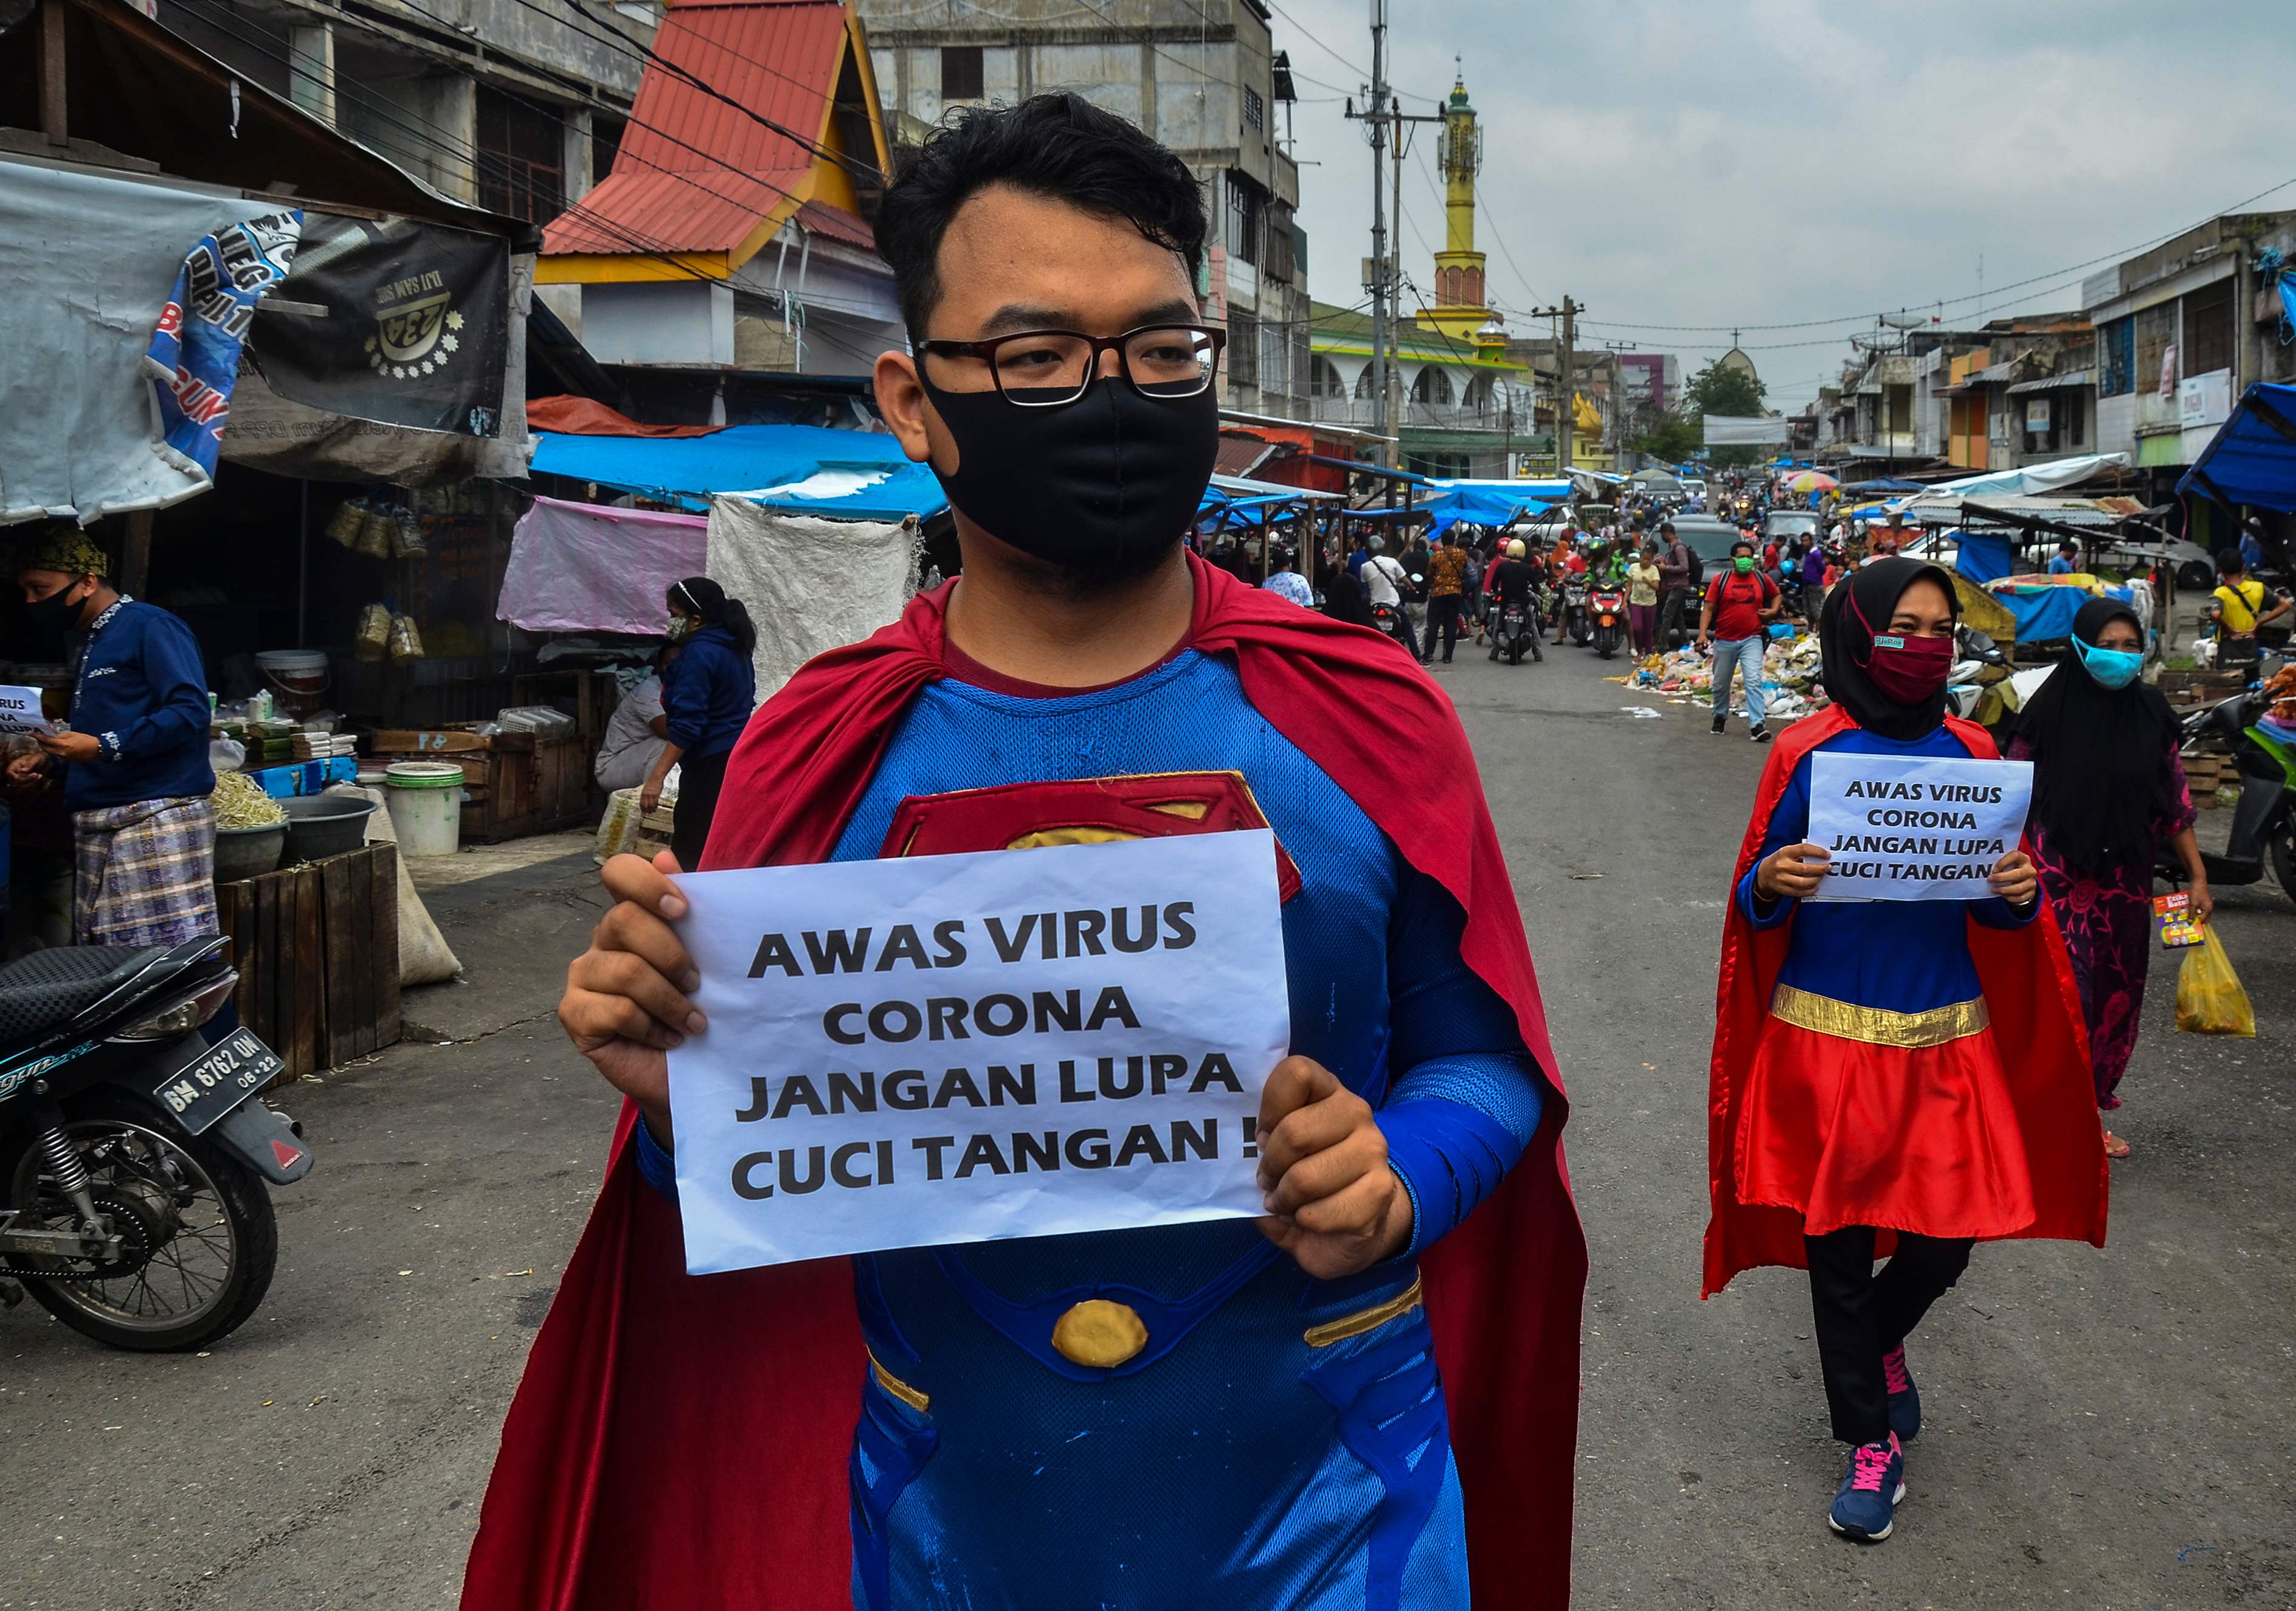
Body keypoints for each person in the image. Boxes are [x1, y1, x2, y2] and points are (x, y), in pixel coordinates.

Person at [466, 92, 1586, 1611]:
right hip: (946, 1531)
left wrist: (1402, 1166)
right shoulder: (818, 748)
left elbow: (1484, 1055)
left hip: (1341, 1518)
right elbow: (761, 1169)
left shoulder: (1361, 714)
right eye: (1037, 356)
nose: (1111, 397)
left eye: (1159, 348)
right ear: (914, 402)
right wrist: (688, 1107)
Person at [1704, 555, 2106, 1544]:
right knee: (1834, 1251)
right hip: (1820, 1039)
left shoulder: (1975, 751)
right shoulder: (1805, 749)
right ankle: (1868, 1440)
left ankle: (1877, 1343)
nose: (1926, 644)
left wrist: (2016, 896)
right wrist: (1774, 876)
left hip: (1945, 1038)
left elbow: (1996, 912)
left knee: (1944, 1238)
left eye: (1941, 628)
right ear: (1858, 632)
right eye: (1905, 625)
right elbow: (1754, 895)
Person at [2008, 598, 2205, 1160]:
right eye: (2107, 644)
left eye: (2129, 646)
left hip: (2125, 885)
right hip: (2054, 879)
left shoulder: (2150, 712)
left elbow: (2176, 801)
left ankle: (2087, 1114)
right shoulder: (2047, 711)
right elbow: (2011, 792)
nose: (2119, 656)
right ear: (2079, 645)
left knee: (2114, 1000)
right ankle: (2040, 1114)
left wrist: (2196, 875)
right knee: (2061, 997)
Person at [7, 525, 217, 949]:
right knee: (110, 966)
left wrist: (103, 746)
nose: (31, 601)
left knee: (164, 968)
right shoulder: (92, 639)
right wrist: (53, 761)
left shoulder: (149, 625)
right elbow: (106, 731)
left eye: (39, 588)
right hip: (102, 825)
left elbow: (190, 711)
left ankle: (219, 1021)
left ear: (87, 581)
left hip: (153, 820)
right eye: (25, 590)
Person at [641, 576, 756, 871]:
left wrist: (656, 779)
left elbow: (688, 725)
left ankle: (689, 914)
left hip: (708, 764)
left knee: (690, 849)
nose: (670, 623)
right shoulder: (736, 648)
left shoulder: (699, 653)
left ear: (694, 619)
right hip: (737, 757)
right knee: (721, 843)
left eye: (673, 615)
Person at [1698, 538, 1784, 742]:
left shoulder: (1761, 579)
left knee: (1753, 680)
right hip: (1724, 640)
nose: (1746, 561)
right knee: (1721, 683)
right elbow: (1708, 608)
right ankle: (1720, 715)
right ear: (1733, 559)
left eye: (1749, 557)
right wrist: (1702, 634)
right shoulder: (1722, 580)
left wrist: (1772, 611)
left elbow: (1777, 595)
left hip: (1752, 639)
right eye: (1741, 557)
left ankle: (1757, 725)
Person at [592, 644, 675, 793]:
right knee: (668, 743)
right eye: (669, 663)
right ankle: (652, 803)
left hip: (638, 760)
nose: (675, 668)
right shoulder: (649, 690)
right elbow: (667, 731)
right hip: (612, 768)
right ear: (659, 666)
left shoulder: (684, 689)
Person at [2208, 547, 2289, 668]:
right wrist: (2259, 623)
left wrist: (2228, 628)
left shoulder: (2221, 592)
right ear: (2243, 568)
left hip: (2230, 650)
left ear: (2221, 571)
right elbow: (2286, 605)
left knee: (2227, 684)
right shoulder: (2258, 588)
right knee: (2251, 682)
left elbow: (2216, 614)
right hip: (2249, 647)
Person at [1361, 532, 1417, 652]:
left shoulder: (1365, 567)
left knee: (1366, 627)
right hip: (1394, 605)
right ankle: (1416, 655)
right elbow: (1405, 580)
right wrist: (1412, 588)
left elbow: (1365, 584)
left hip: (1375, 605)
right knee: (1408, 628)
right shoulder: (1392, 562)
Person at [1422, 532, 1467, 662]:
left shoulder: (1437, 555)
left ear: (1442, 541)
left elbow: (1429, 573)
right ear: (1454, 540)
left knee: (1434, 624)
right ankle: (1448, 656)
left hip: (1438, 593)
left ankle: (1429, 654)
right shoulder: (1462, 554)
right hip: (1455, 593)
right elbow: (1465, 568)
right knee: (1451, 625)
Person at [1655, 519, 1699, 648]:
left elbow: (1684, 567)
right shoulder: (1673, 547)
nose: (1662, 537)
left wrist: (1666, 568)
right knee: (1678, 617)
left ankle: (1662, 645)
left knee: (1667, 614)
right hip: (1673, 586)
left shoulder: (1679, 548)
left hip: (1678, 586)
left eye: (1663, 534)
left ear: (1668, 533)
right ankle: (1685, 642)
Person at [1625, 539, 1663, 657]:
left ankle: (1648, 653)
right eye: (1644, 559)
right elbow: (1629, 585)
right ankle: (1639, 651)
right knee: (1637, 628)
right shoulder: (1634, 568)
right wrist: (1624, 601)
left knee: (1648, 630)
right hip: (1636, 601)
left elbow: (1656, 587)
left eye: (1648, 560)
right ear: (1640, 558)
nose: (1645, 562)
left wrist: (1648, 581)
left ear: (1652, 560)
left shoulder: (1654, 570)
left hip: (1650, 603)